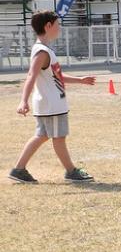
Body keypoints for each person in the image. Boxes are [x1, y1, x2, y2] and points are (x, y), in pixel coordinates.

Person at [8, 11, 96, 184]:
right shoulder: (42, 51)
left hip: (50, 104)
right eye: (57, 24)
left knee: (41, 136)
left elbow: (55, 76)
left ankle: (18, 170)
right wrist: (23, 100)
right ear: (48, 26)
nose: (60, 28)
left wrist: (80, 80)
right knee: (59, 137)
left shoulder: (45, 50)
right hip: (52, 105)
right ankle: (71, 171)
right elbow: (31, 76)